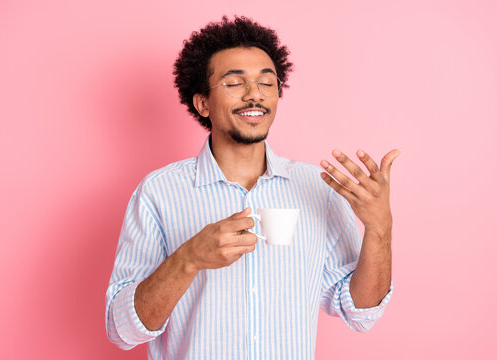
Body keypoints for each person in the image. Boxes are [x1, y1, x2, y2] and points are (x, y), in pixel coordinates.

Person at [105, 15, 399, 359]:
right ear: (203, 103)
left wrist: (380, 227)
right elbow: (121, 329)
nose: (254, 95)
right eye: (234, 83)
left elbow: (361, 310)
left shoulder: (317, 188)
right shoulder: (158, 193)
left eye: (266, 82)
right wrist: (188, 259)